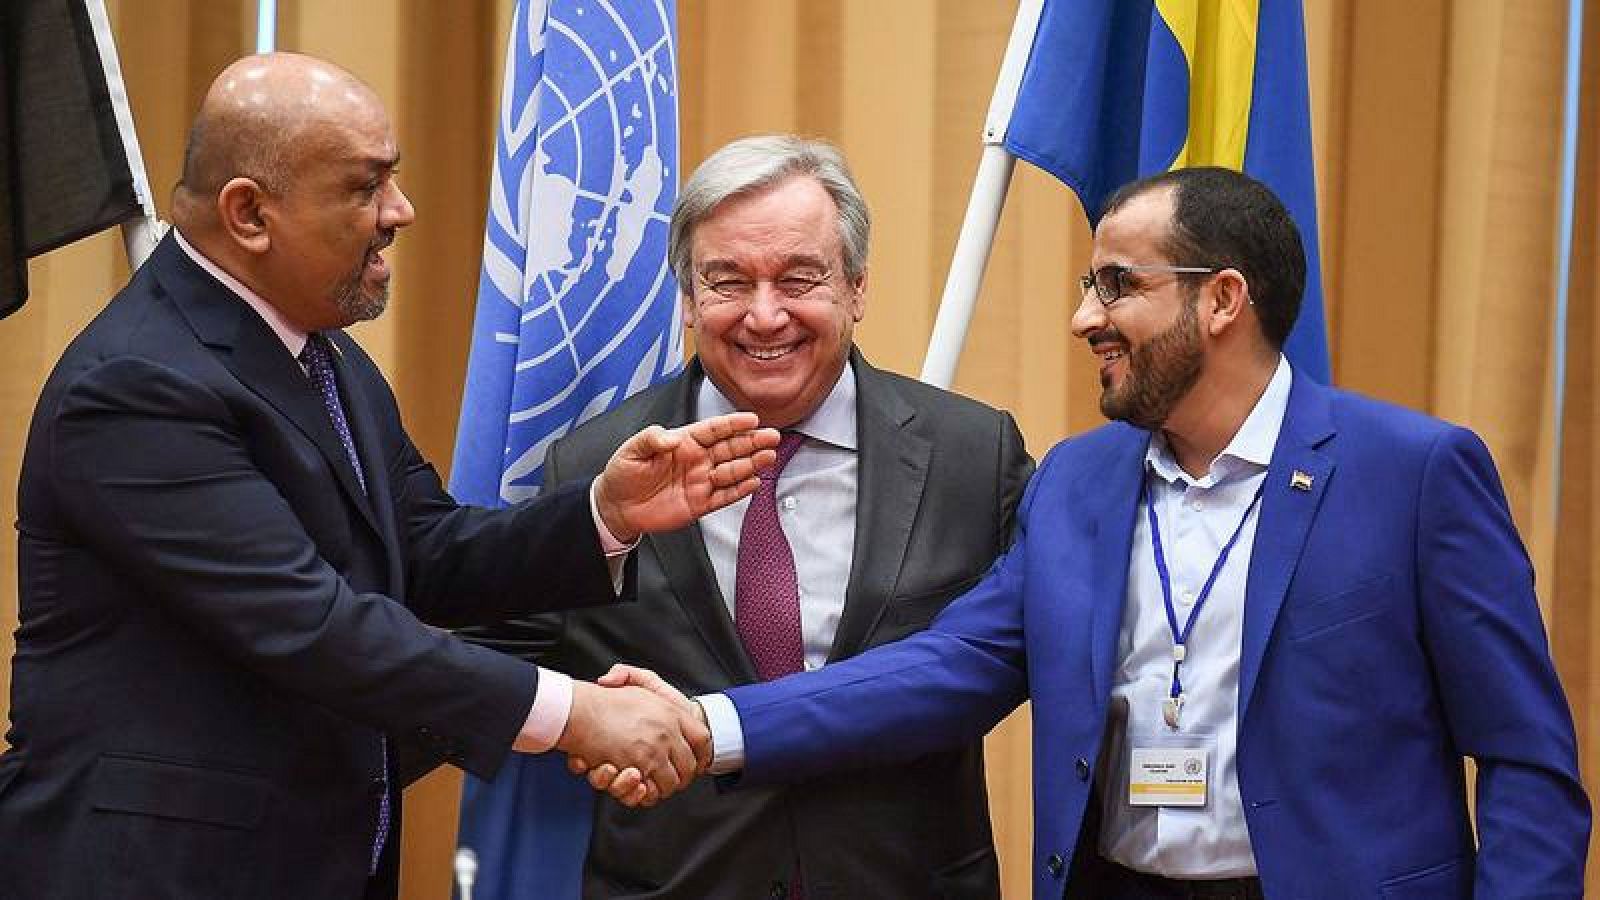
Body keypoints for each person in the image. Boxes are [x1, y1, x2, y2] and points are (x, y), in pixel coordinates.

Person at [597, 167, 1591, 898]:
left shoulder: (1411, 474)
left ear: (1223, 301)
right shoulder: (1075, 481)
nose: (1084, 317)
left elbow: (1527, 763)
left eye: (1116, 284)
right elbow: (946, 666)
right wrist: (708, 723)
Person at [0, 53, 772, 900]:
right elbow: (312, 624)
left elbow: (427, 551)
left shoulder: (322, 357)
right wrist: (576, 715)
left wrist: (602, 515)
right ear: (250, 214)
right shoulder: (137, 387)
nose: (400, 211)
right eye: (366, 187)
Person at [467, 135, 1033, 899]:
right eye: (728, 282)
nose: (765, 317)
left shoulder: (972, 456)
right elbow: (488, 658)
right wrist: (589, 720)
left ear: (858, 288)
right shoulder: (597, 466)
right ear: (690, 298)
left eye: (800, 278)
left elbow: (1018, 655)